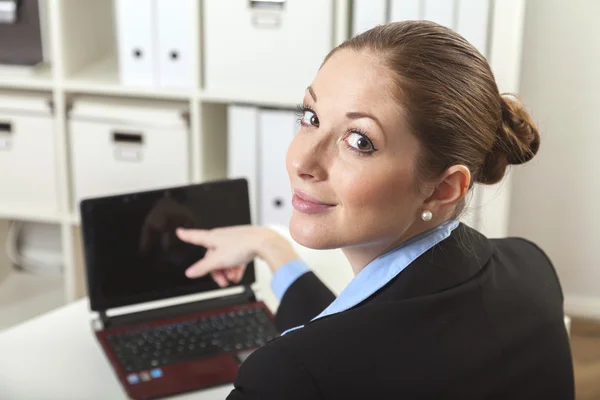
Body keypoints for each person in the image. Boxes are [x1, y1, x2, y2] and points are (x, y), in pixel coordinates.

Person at [176, 21, 574, 399]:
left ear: (442, 189)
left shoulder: (287, 378)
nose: (303, 162)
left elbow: (331, 357)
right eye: (311, 117)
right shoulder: (532, 267)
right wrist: (270, 247)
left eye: (360, 141)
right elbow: (359, 330)